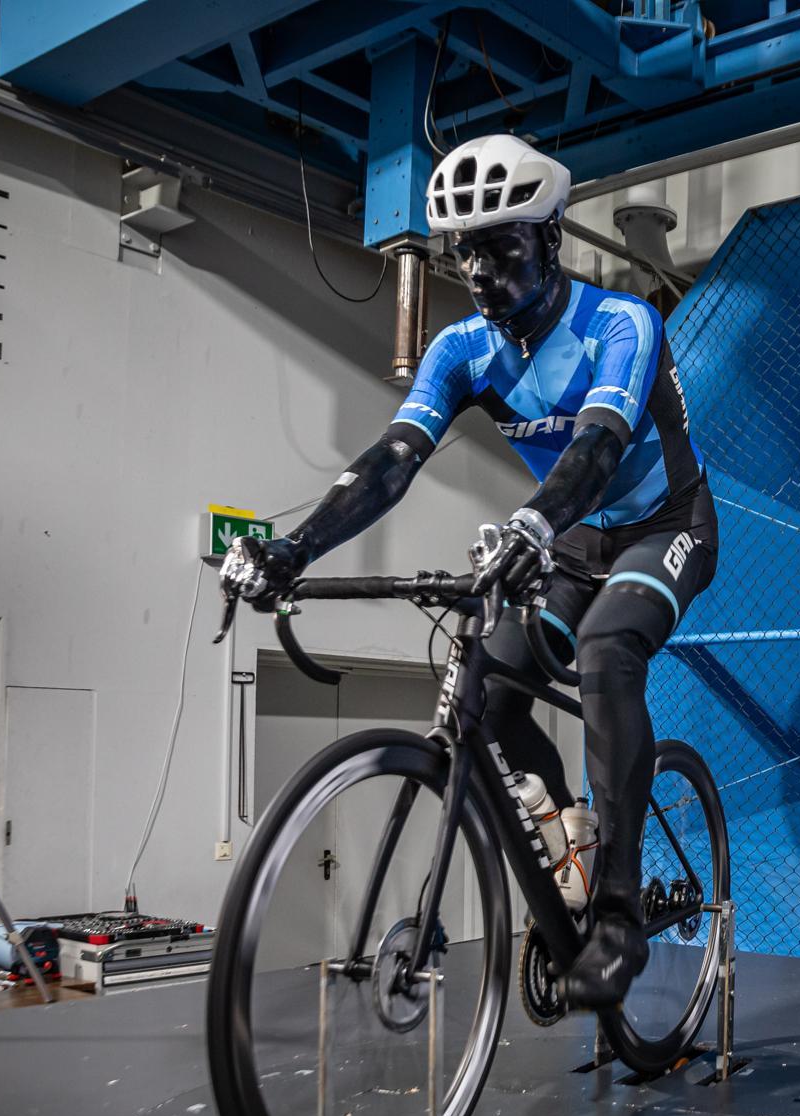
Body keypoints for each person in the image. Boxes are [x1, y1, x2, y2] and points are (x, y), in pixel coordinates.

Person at [219, 134, 716, 1008]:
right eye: (465, 253)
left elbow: (599, 447)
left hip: (663, 525)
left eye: (501, 248)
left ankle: (618, 910)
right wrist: (294, 548)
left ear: (551, 239)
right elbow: (390, 460)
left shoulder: (620, 323)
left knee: (606, 650)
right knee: (484, 695)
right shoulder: (464, 350)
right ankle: (569, 838)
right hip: (568, 540)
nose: (481, 274)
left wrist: (530, 521)